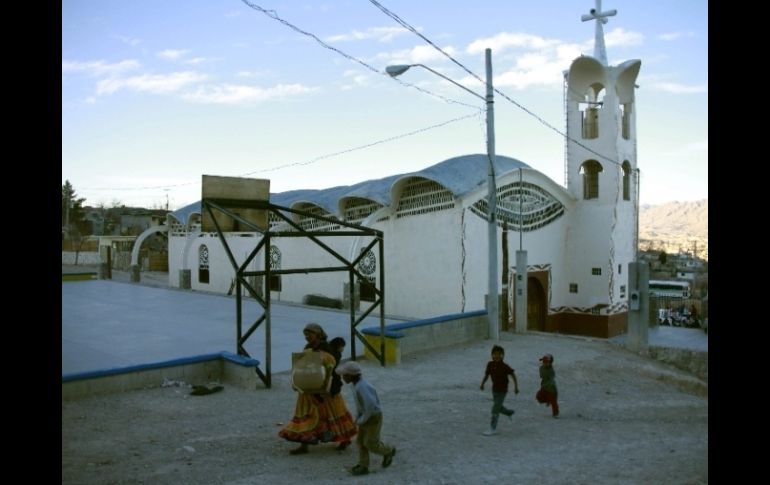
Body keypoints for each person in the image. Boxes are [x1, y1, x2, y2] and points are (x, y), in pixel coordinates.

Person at [278, 323, 357, 454]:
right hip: (309, 386)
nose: (307, 337)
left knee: (333, 413)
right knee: (305, 413)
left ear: (318, 334)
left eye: (310, 334)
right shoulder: (308, 347)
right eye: (305, 335)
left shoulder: (326, 347)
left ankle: (344, 439)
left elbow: (331, 364)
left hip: (325, 387)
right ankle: (304, 445)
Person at [335, 361, 396, 476]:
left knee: (370, 443)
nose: (343, 377)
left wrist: (362, 419)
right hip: (366, 416)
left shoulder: (362, 386)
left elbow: (370, 405)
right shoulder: (357, 384)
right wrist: (359, 417)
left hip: (373, 417)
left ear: (351, 375)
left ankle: (388, 451)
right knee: (361, 442)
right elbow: (362, 405)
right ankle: (363, 465)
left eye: (345, 375)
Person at [479, 345, 519, 436]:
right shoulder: (490, 364)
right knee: (498, 406)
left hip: (503, 390)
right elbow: (487, 375)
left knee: (495, 409)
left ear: (502, 355)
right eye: (494, 354)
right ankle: (509, 413)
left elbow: (513, 375)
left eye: (499, 354)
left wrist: (516, 387)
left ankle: (492, 428)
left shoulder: (505, 366)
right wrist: (482, 384)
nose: (496, 356)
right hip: (494, 390)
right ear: (492, 355)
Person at [328, 336, 352, 451]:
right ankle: (345, 438)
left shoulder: (330, 353)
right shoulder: (336, 355)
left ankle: (343, 439)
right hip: (333, 387)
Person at [535, 353, 559, 418]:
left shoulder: (551, 371)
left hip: (552, 390)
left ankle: (555, 414)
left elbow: (551, 381)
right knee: (538, 397)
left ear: (550, 363)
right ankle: (548, 400)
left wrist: (546, 385)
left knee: (554, 403)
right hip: (544, 387)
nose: (544, 363)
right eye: (543, 361)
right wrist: (543, 386)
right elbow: (542, 376)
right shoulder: (541, 368)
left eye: (546, 362)